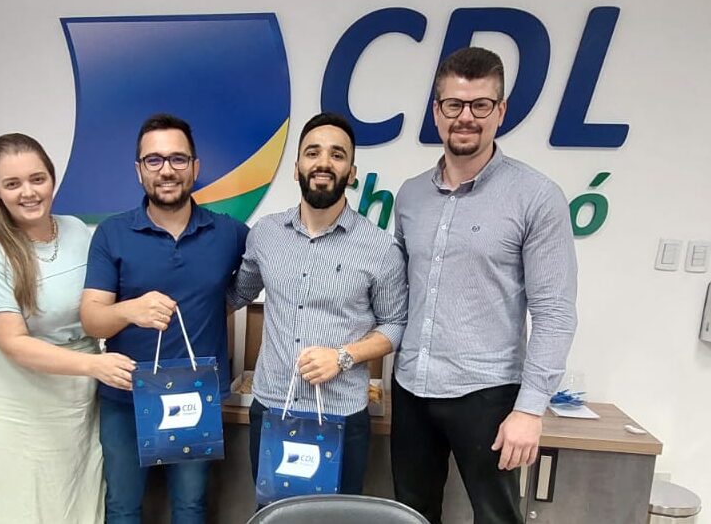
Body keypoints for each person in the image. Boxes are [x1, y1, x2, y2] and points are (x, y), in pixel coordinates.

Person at [391, 47, 578, 524]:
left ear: (501, 111)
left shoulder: (536, 197)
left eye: (480, 105)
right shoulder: (410, 196)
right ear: (437, 111)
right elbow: (400, 292)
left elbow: (555, 312)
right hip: (411, 386)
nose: (466, 117)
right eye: (454, 104)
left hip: (488, 394)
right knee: (411, 514)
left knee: (497, 518)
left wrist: (530, 409)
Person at [227, 112, 408, 498]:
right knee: (274, 517)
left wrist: (342, 357)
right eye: (313, 152)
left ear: (351, 172)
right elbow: (237, 294)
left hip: (341, 415)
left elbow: (395, 324)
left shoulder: (380, 248)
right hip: (273, 407)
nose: (324, 162)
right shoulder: (265, 235)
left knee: (333, 517)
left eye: (337, 155)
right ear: (296, 168)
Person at [80, 113, 249, 524]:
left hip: (196, 396)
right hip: (125, 397)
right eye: (154, 160)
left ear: (195, 166)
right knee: (123, 507)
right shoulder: (112, 234)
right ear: (139, 170)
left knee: (190, 506)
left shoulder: (228, 233)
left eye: (178, 158)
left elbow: (268, 269)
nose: (167, 170)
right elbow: (92, 320)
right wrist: (130, 310)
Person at [0, 133, 129, 524]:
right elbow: (15, 343)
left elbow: (101, 300)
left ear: (52, 178)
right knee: (28, 503)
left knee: (82, 495)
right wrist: (95, 366)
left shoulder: (76, 230)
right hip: (25, 397)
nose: (28, 192)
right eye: (12, 183)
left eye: (37, 179)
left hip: (81, 396)